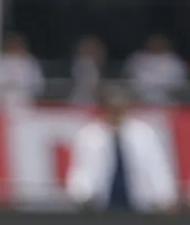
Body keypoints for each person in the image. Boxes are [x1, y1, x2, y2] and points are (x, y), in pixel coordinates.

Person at [66, 84, 178, 212]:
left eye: (120, 108)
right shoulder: (89, 134)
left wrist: (165, 196)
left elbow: (157, 167)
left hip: (139, 201)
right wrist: (81, 194)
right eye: (113, 108)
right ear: (105, 108)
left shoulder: (143, 133)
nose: (116, 112)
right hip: (102, 202)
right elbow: (82, 169)